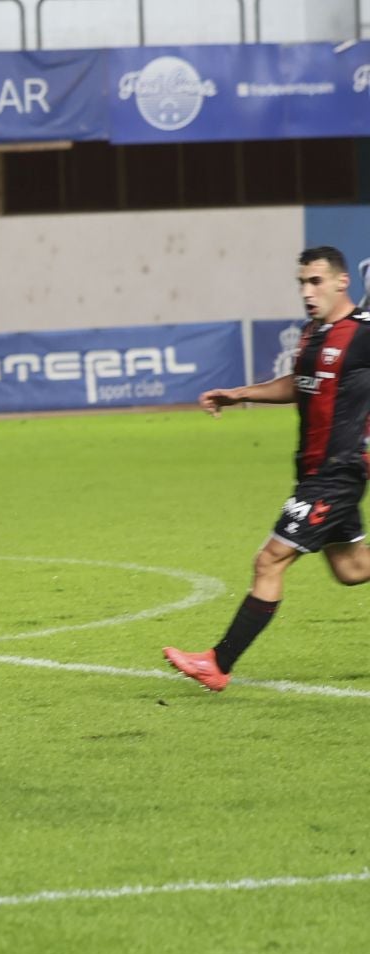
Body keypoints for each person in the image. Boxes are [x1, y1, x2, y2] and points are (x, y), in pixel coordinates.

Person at [163, 248, 370, 691]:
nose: (306, 292)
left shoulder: (363, 333)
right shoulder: (313, 333)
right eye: (301, 283)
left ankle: (217, 664)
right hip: (313, 471)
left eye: (315, 282)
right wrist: (240, 394)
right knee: (351, 568)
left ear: (342, 282)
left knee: (269, 561)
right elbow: (300, 383)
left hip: (337, 473)